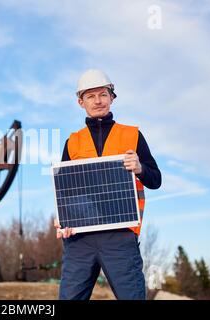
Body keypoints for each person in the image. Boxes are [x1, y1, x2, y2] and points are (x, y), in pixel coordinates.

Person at [55, 69, 162, 300]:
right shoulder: (72, 142)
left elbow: (156, 180)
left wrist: (140, 167)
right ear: (80, 102)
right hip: (80, 239)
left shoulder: (132, 135)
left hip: (120, 236)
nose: (98, 101)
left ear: (112, 97)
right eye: (90, 96)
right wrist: (63, 220)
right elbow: (64, 191)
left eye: (103, 94)